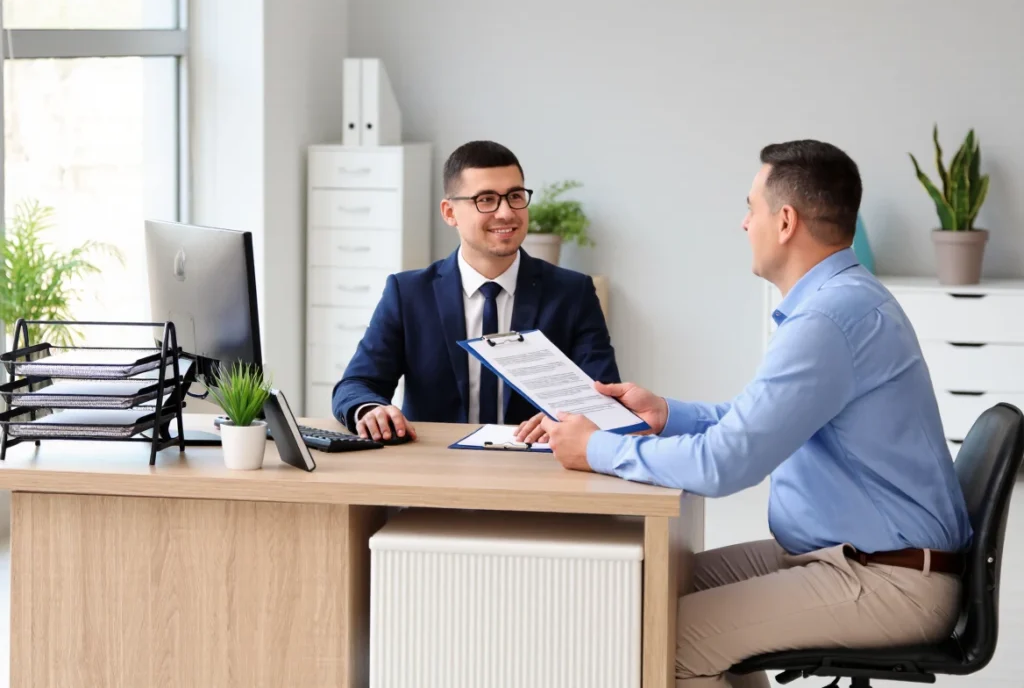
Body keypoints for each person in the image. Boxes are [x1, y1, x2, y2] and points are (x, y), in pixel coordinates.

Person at [524, 140, 973, 687]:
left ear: (785, 221)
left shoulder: (827, 320)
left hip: (889, 580)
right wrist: (666, 413)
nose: (743, 224)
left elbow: (725, 464)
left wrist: (595, 448)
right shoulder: (841, 299)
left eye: (750, 208)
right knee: (655, 587)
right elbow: (753, 419)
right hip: (851, 557)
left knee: (657, 637)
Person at [332, 139, 620, 441]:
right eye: (486, 200)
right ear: (449, 212)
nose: (506, 212)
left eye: (515, 196)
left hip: (538, 465)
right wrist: (370, 410)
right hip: (435, 467)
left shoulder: (572, 293)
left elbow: (603, 394)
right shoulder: (408, 294)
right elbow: (356, 384)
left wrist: (562, 420)